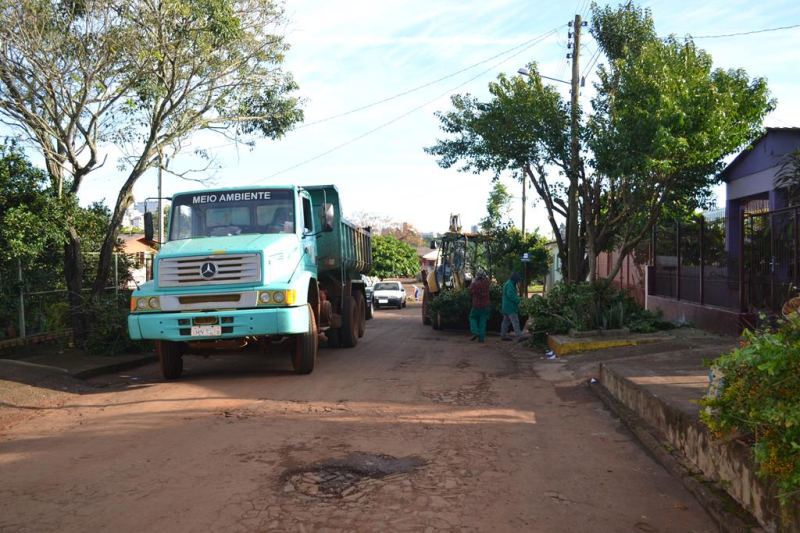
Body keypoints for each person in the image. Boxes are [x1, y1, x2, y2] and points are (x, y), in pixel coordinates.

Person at [468, 269, 491, 343]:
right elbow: (488, 279)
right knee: (482, 322)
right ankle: (481, 339)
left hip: (476, 305)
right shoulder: (487, 281)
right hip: (486, 305)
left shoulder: (475, 284)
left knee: (472, 317)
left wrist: (473, 281)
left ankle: (475, 332)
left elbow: (470, 290)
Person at [501, 272, 524, 342]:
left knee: (505, 322)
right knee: (515, 321)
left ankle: (503, 335)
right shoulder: (510, 285)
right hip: (510, 307)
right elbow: (511, 295)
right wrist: (518, 302)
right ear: (515, 279)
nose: (518, 281)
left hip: (507, 306)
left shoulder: (509, 284)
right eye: (518, 279)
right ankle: (519, 336)